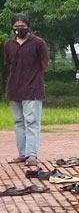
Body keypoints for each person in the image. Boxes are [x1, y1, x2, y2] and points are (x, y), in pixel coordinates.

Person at [3, 14, 47, 167]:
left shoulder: (38, 43)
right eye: (16, 26)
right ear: (12, 27)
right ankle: (22, 154)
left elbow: (44, 64)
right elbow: (8, 64)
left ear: (28, 26)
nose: (19, 28)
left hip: (33, 89)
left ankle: (31, 155)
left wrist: (32, 77)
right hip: (15, 89)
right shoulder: (9, 45)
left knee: (32, 122)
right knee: (18, 122)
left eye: (22, 25)